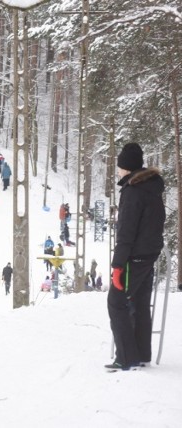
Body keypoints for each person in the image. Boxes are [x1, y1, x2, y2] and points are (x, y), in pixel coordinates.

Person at [107, 143, 165, 371]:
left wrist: (118, 265)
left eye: (120, 166)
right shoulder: (151, 187)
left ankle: (126, 356)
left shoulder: (132, 191)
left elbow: (126, 232)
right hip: (149, 255)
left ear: (127, 167)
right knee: (140, 304)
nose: (118, 171)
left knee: (116, 303)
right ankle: (141, 354)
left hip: (134, 257)